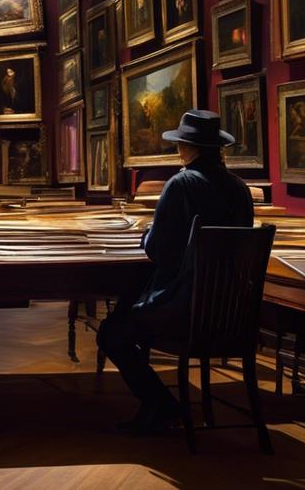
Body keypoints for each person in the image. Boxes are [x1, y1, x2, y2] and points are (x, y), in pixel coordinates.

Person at [97, 109, 253, 434]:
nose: (178, 150)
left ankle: (161, 405)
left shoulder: (180, 185)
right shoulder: (240, 189)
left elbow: (158, 250)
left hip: (182, 310)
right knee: (127, 312)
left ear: (188, 148)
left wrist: (146, 233)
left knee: (112, 333)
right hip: (230, 315)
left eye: (180, 144)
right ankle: (162, 406)